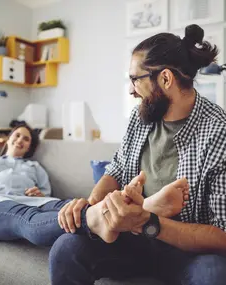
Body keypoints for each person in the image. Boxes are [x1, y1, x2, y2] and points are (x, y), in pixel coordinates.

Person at [52, 24, 226, 285]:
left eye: (135, 79)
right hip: (131, 241)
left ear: (165, 79)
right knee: (66, 249)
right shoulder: (141, 117)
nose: (131, 90)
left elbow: (222, 235)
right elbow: (118, 169)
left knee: (213, 274)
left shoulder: (218, 130)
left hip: (186, 251)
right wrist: (95, 208)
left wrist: (148, 221)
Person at [0, 124, 188, 247]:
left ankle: (135, 213)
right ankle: (115, 216)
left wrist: (38, 192)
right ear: (9, 139)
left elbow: (47, 193)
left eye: (26, 139)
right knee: (26, 219)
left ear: (30, 147)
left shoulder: (34, 168)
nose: (20, 140)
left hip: (37, 201)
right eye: (17, 135)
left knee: (67, 206)